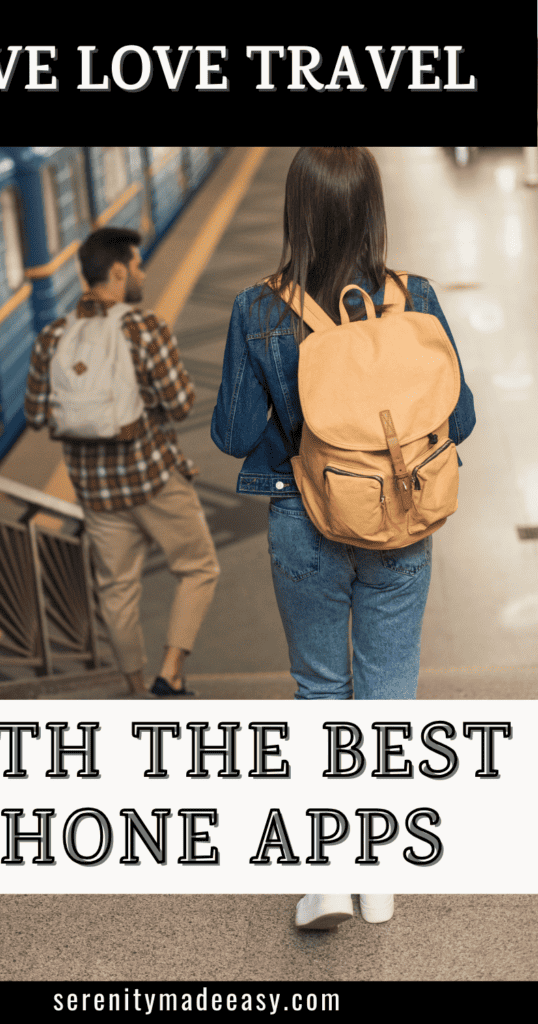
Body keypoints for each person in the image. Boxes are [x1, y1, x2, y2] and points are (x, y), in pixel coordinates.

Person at [211, 146, 476, 927]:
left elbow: (230, 433)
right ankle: (380, 878)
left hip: (305, 519)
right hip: (398, 518)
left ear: (295, 210)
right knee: (387, 696)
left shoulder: (256, 310)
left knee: (320, 692)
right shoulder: (414, 297)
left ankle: (325, 874)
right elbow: (458, 420)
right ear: (371, 208)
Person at [25, 226, 219, 697]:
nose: (142, 272)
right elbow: (181, 404)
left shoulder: (52, 338)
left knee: (117, 594)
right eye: (136, 265)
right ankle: (170, 673)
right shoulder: (142, 328)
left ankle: (136, 690)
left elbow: (35, 414)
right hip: (153, 480)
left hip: (95, 495)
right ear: (117, 271)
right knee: (198, 568)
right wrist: (143, 398)